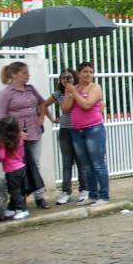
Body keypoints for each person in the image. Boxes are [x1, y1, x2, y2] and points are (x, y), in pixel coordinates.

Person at [0, 61, 48, 209]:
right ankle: (20, 198)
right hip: (15, 137)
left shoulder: (30, 89)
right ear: (14, 74)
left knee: (35, 163)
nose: (28, 75)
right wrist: (17, 132)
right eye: (24, 72)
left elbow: (42, 103)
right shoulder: (5, 93)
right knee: (20, 167)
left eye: (28, 72)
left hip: (34, 131)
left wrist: (41, 118)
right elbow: (0, 116)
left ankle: (40, 197)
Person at [63, 62, 109, 205]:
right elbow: (65, 109)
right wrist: (70, 93)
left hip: (93, 129)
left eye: (90, 72)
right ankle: (92, 195)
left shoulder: (95, 87)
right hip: (77, 131)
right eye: (85, 71)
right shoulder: (74, 88)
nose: (88, 74)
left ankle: (104, 196)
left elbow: (87, 104)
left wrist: (75, 93)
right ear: (78, 73)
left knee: (98, 164)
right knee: (86, 166)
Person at [43, 69, 87, 205]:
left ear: (74, 78)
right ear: (60, 81)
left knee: (81, 161)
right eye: (63, 78)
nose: (66, 80)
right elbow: (43, 104)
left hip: (79, 129)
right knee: (67, 162)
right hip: (65, 130)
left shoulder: (79, 90)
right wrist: (51, 119)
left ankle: (84, 190)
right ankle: (66, 192)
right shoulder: (59, 94)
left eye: (69, 77)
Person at [0, 116, 30, 220]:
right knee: (16, 190)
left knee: (14, 191)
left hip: (11, 171)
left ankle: (23, 210)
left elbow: (0, 156)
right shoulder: (19, 139)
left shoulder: (2, 142)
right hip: (21, 167)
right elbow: (22, 153)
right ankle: (11, 209)